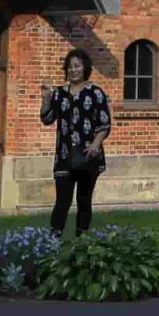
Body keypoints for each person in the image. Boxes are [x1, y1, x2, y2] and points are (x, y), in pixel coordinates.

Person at [40, 48, 113, 236]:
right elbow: (47, 119)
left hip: (88, 155)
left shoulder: (95, 93)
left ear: (85, 68)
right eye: (70, 67)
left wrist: (96, 145)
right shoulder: (59, 93)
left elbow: (104, 123)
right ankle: (53, 240)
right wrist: (46, 99)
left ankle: (83, 241)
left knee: (84, 200)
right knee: (62, 201)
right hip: (64, 156)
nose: (73, 70)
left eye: (77, 66)